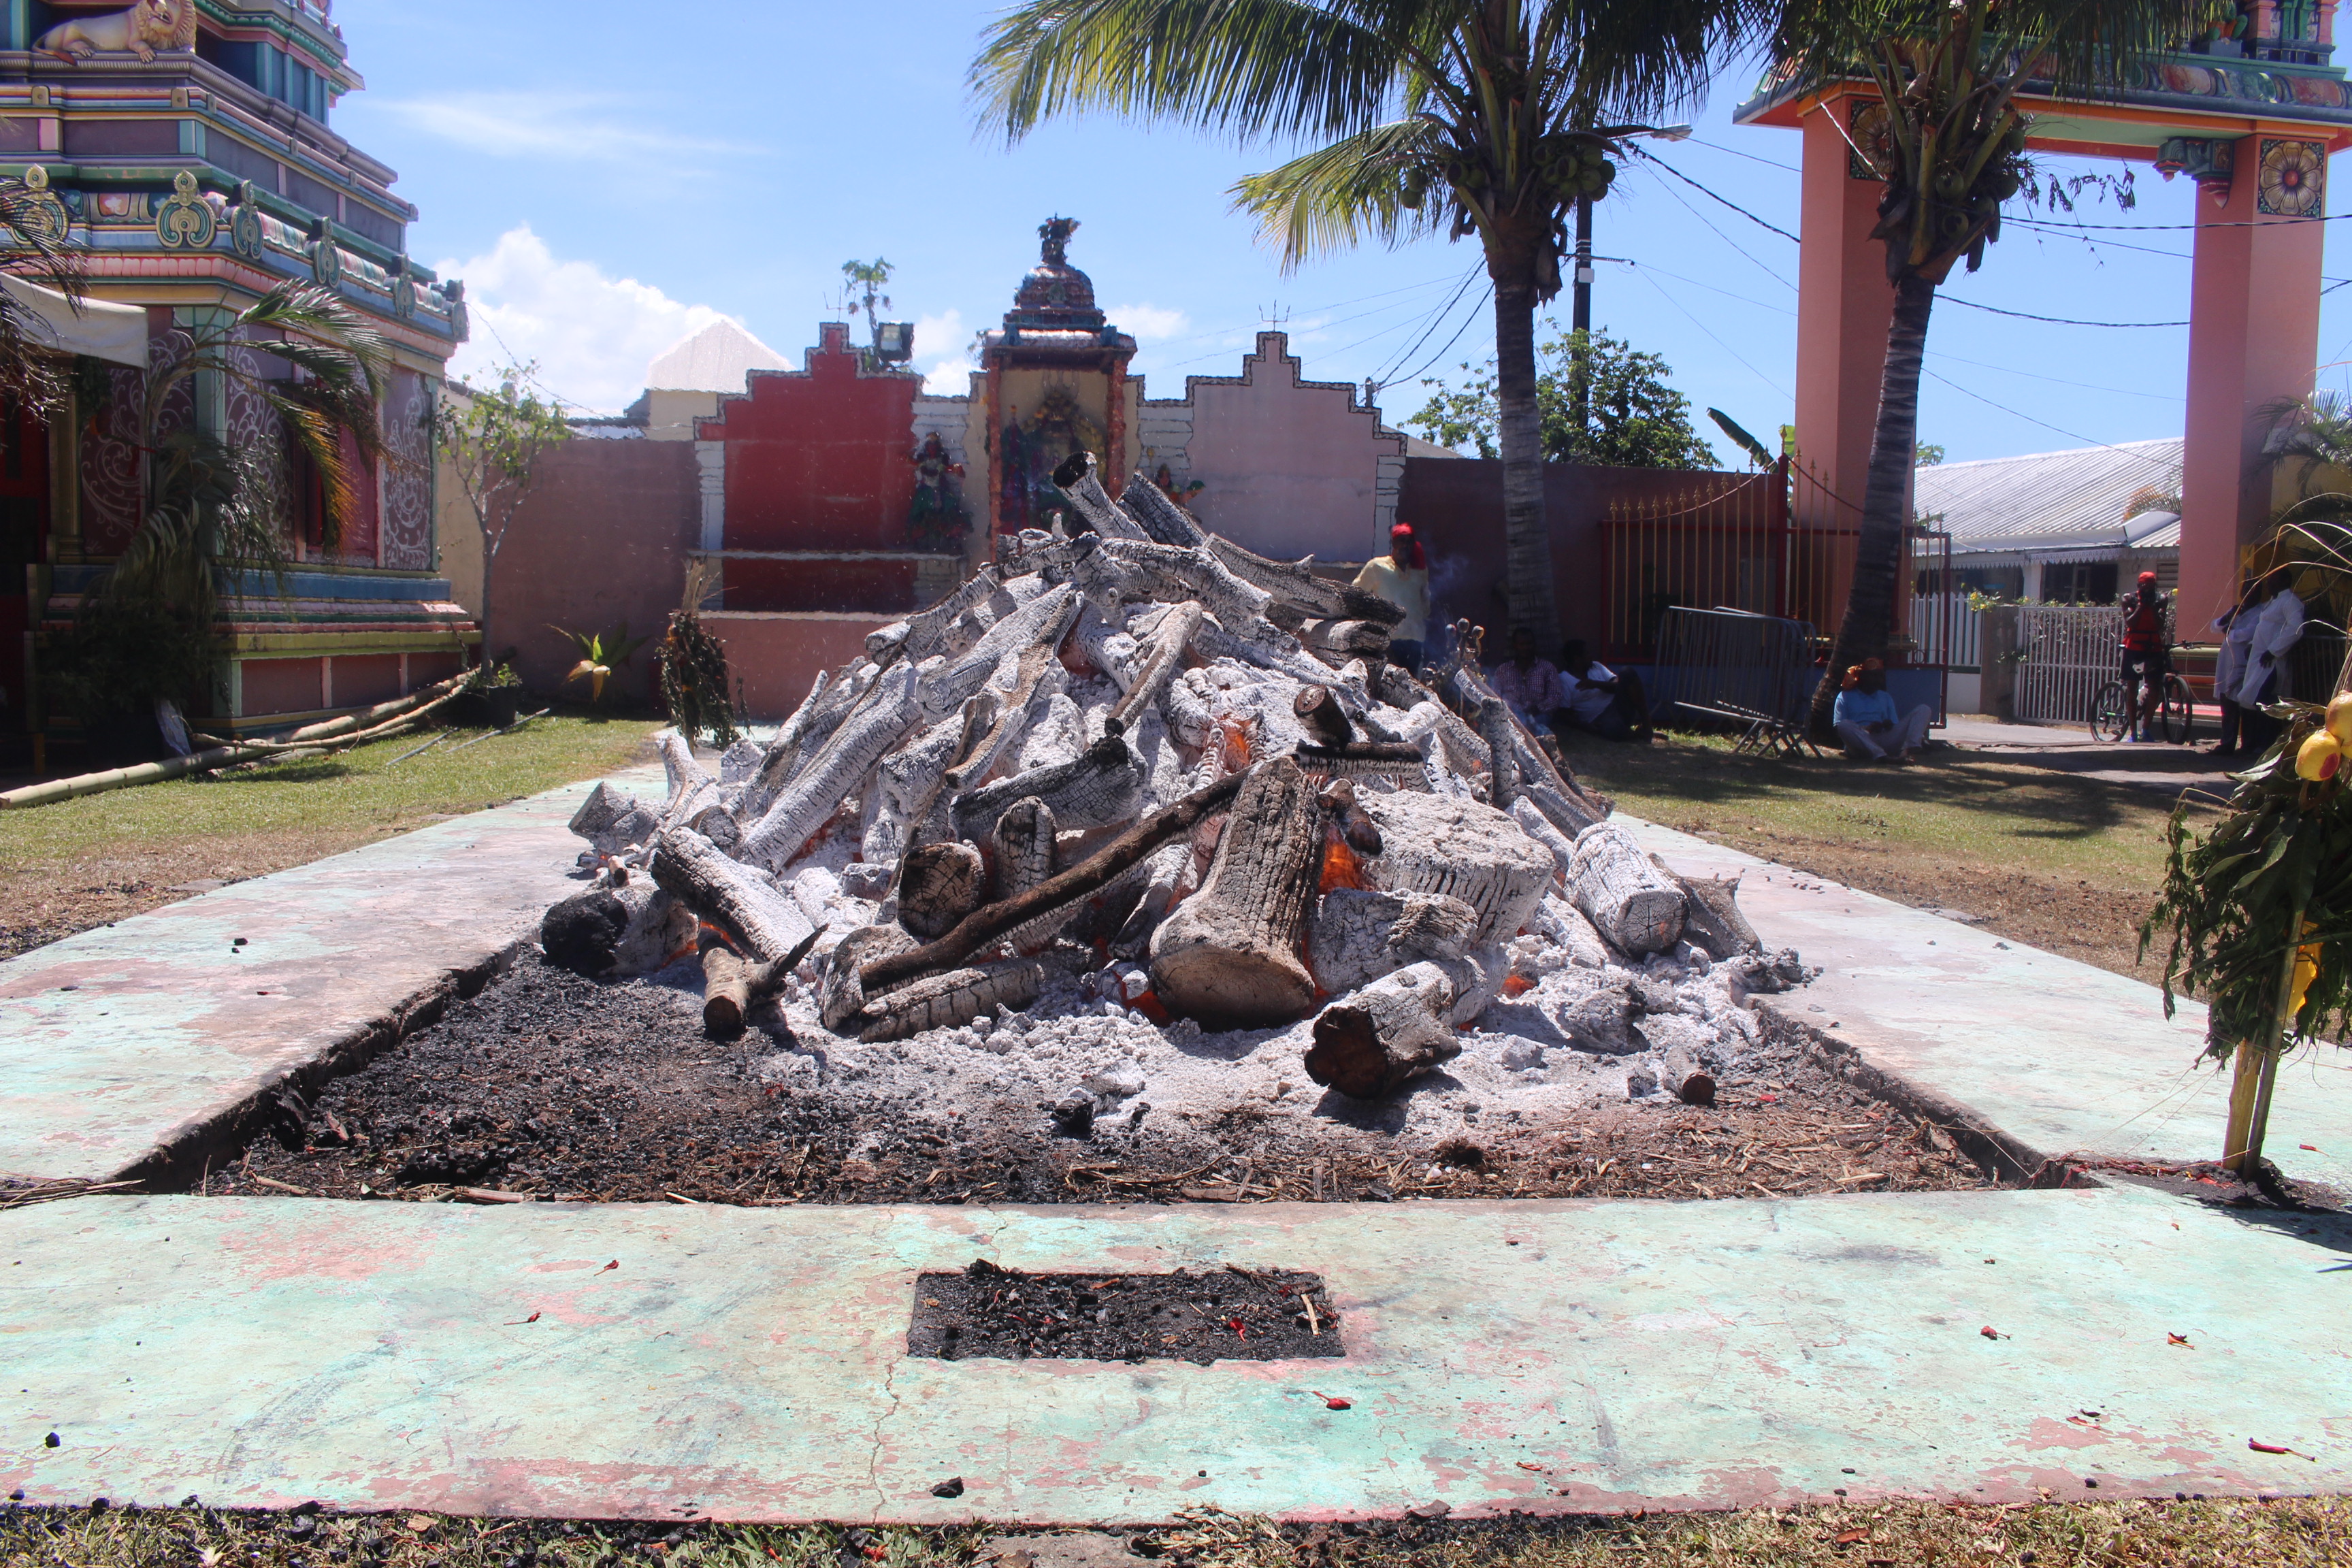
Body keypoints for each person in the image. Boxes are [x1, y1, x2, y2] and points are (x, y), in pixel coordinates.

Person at [2237, 567, 2308, 756]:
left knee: (2264, 701)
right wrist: (2252, 644)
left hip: (2271, 662)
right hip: (2258, 660)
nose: (2269, 584)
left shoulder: (2290, 602)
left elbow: (2296, 629)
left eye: (2273, 580)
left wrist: (2274, 650)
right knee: (2249, 699)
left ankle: (2266, 744)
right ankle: (2251, 744)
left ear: (2285, 581)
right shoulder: (2272, 602)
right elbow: (2264, 628)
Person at [1354, 522, 1431, 671]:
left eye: (1409, 541)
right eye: (1401, 540)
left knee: (1411, 687)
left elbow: (1426, 606)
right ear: (1393, 542)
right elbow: (1356, 593)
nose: (1405, 546)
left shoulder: (1419, 571)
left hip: (1414, 640)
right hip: (1386, 640)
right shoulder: (1377, 567)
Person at [1832, 658, 1931, 764]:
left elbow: (1894, 723)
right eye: (1873, 676)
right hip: (1861, 742)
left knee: (1924, 709)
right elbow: (1839, 728)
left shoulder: (1885, 697)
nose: (1878, 680)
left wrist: (1888, 725)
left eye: (1879, 676)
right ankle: (1882, 757)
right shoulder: (1845, 696)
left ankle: (1908, 750)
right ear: (1861, 677)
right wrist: (1866, 729)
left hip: (1884, 739)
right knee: (1843, 725)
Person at [1557, 639, 1654, 744]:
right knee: (1612, 729)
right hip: (1599, 718)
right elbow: (1564, 714)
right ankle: (1638, 735)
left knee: (1627, 672)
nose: (1591, 656)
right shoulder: (1564, 679)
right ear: (1577, 659)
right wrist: (1585, 726)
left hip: (1618, 706)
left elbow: (1617, 685)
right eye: (1587, 654)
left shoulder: (1596, 666)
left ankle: (1646, 723)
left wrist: (1596, 684)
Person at [2206, 577, 2260, 758]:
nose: (2248, 596)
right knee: (2227, 703)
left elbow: (2248, 634)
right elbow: (2215, 627)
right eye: (2245, 592)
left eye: (2252, 592)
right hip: (2226, 661)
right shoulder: (2236, 610)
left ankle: (2248, 744)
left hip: (2243, 663)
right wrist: (2229, 617)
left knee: (2245, 704)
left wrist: (2230, 632)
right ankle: (2227, 742)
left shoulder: (2262, 612)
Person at [2117, 569, 2172, 742]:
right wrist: (2141, 606)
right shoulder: (2129, 598)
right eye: (2144, 586)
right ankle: (2132, 732)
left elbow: (2159, 625)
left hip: (2153, 646)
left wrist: (2153, 608)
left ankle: (2146, 728)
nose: (2147, 589)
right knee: (2132, 688)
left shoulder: (2161, 599)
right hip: (2134, 646)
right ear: (2139, 586)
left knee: (2155, 687)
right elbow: (2130, 622)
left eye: (2151, 586)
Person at [1488, 627, 1567, 731]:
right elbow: (1495, 696)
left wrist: (1538, 708)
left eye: (1529, 644)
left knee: (1539, 726)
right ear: (1515, 646)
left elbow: (1555, 696)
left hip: (1538, 716)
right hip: (1511, 716)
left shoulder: (1547, 668)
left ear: (1534, 645)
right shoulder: (1503, 670)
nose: (1526, 648)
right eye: (1522, 644)